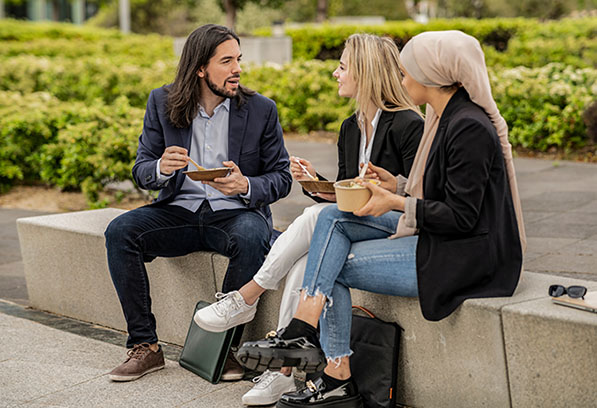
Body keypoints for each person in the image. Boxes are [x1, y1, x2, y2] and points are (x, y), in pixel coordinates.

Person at [236, 30, 527, 408]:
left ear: (432, 76)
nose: (402, 81)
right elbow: (439, 195)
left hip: (467, 259)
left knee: (329, 261)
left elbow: (462, 216)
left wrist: (396, 201)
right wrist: (399, 185)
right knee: (332, 222)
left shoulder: (467, 125)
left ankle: (324, 361)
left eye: (408, 73)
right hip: (442, 242)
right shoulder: (446, 117)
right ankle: (314, 347)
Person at [194, 33, 423, 405]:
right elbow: (348, 194)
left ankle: (248, 297)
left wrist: (339, 200)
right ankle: (282, 371)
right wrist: (319, 185)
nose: (335, 73)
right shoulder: (351, 128)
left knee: (320, 218)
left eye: (343, 66)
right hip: (352, 224)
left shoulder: (408, 124)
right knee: (311, 248)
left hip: (397, 227)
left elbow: (416, 199)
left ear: (364, 72)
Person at [104, 24, 292, 382]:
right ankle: (145, 346)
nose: (237, 68)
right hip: (179, 212)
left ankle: (225, 350)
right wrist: (161, 166)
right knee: (120, 231)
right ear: (200, 68)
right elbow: (142, 169)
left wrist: (245, 185)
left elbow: (281, 177)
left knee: (255, 235)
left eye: (239, 59)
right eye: (227, 61)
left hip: (235, 215)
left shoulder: (261, 110)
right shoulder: (161, 101)